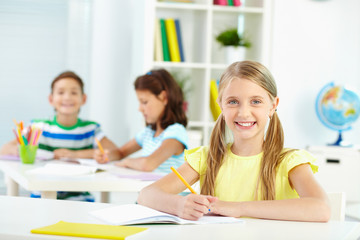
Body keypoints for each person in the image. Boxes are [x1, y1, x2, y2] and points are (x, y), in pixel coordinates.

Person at [138, 61, 331, 222]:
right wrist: (180, 205)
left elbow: (321, 209)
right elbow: (146, 195)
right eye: (233, 102)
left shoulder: (290, 162)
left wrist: (237, 208)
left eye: (256, 101)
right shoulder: (206, 158)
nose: (243, 112)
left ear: (273, 106)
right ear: (220, 104)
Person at [0, 71, 117, 201]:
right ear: (51, 99)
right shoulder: (38, 127)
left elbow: (115, 152)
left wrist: (76, 155)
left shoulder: (91, 128)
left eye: (74, 93)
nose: (67, 97)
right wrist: (34, 152)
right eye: (61, 92)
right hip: (41, 197)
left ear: (83, 99)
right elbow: (4, 150)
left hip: (79, 199)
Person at [94, 69, 188, 173]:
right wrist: (106, 156)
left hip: (170, 190)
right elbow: (121, 153)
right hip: (151, 189)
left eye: (144, 102)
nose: (140, 108)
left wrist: (127, 162)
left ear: (164, 98)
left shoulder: (176, 133)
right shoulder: (148, 133)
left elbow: (148, 164)